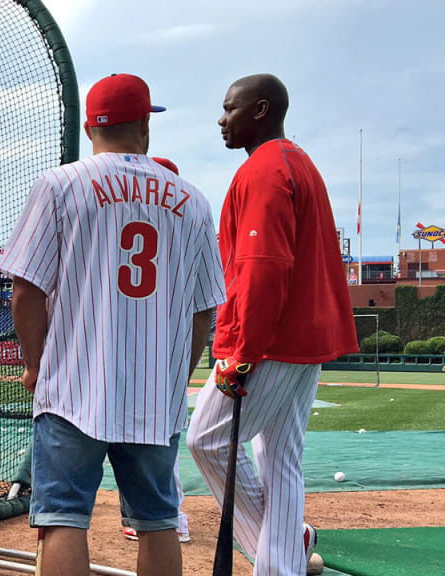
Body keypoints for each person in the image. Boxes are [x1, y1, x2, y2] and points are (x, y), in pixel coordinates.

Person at [0, 73, 224, 576]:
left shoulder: (60, 185)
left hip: (73, 390)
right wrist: (176, 375)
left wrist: (36, 368)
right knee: (159, 520)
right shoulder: (194, 201)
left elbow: (25, 292)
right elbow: (204, 308)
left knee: (62, 521)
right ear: (145, 126)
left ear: (88, 127)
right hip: (153, 397)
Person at [187, 74, 358, 576]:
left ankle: (278, 549)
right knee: (280, 457)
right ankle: (282, 557)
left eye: (229, 109)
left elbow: (263, 267)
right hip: (307, 338)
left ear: (260, 110)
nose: (221, 120)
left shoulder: (265, 171)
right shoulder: (298, 162)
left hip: (273, 339)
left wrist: (242, 352)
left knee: (207, 440)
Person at [119, 156, 192, 545]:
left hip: (117, 364)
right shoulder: (184, 219)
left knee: (64, 513)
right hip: (162, 366)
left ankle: (171, 518)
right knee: (163, 450)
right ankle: (169, 518)